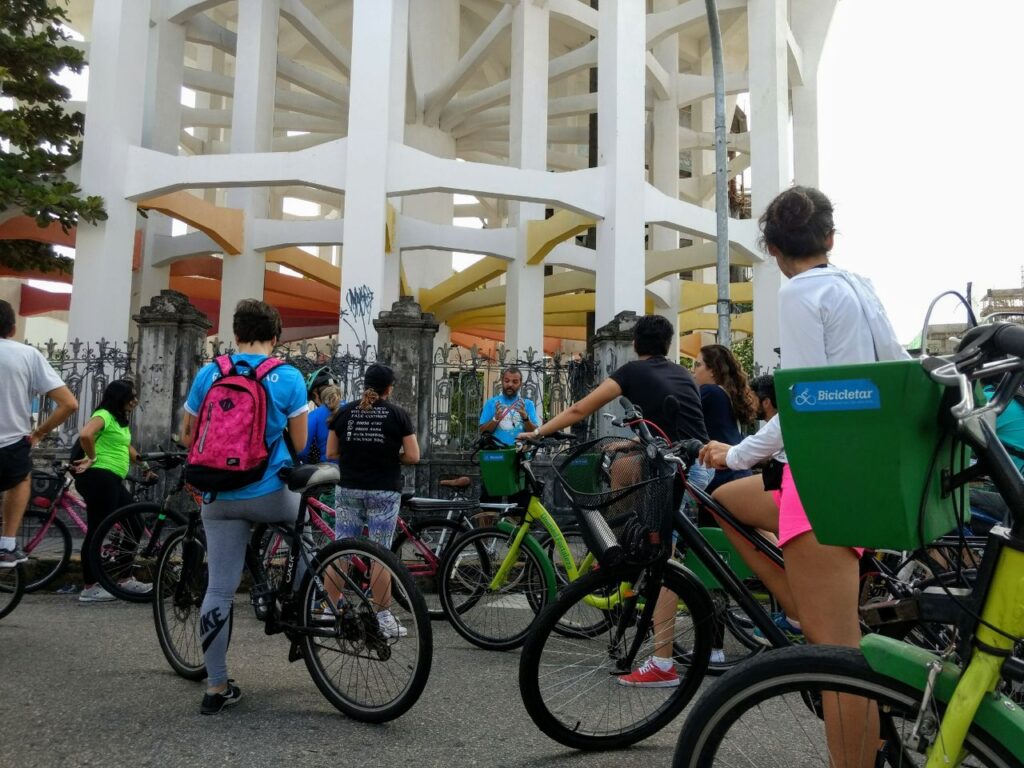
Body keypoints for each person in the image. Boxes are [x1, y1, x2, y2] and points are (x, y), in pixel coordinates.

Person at [707, 186, 907, 765]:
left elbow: (801, 406)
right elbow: (891, 370)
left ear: (771, 248)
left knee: (836, 659)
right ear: (829, 238)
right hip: (863, 471)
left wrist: (736, 454)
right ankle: (808, 596)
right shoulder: (857, 287)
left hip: (821, 477)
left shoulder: (799, 295)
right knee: (732, 503)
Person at [519, 314, 713, 686]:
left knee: (663, 560)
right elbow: (671, 430)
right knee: (637, 505)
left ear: (637, 345)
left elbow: (580, 409)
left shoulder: (633, 372)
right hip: (696, 462)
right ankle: (632, 576)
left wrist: (538, 432)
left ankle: (662, 662)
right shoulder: (682, 373)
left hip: (678, 471)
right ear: (668, 345)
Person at [181, 299, 308, 715]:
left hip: (219, 496)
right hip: (271, 493)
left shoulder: (209, 373)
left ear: (234, 334)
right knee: (306, 535)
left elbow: (187, 435)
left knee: (219, 587)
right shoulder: (288, 377)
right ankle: (304, 607)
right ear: (276, 335)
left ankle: (216, 687)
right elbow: (302, 444)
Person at [326, 363, 419, 638]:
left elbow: (332, 452)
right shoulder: (398, 415)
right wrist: (389, 456)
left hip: (349, 488)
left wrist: (357, 455)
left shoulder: (344, 412)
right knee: (380, 553)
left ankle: (328, 612)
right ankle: (383, 618)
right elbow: (413, 456)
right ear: (389, 388)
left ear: (365, 385)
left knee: (341, 548)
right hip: (384, 491)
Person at [0, 299, 78, 567]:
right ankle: (7, 544)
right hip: (11, 442)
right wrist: (39, 433)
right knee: (20, 480)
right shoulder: (27, 355)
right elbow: (69, 404)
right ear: (12, 329)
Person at [72, 379, 157, 602]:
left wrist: (145, 466)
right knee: (98, 530)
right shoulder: (103, 415)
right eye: (132, 396)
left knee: (135, 524)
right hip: (99, 477)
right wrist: (92, 457)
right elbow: (85, 435)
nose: (135, 401)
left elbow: (124, 446)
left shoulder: (119, 421)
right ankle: (90, 587)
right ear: (120, 397)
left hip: (111, 479)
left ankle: (125, 579)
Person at [692, 344, 757, 496]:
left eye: (698, 364)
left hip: (720, 477)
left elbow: (681, 417)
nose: (693, 369)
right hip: (737, 474)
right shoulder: (727, 394)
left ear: (713, 370)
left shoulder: (710, 391)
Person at [479, 367, 540, 446]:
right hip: (497, 453)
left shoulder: (527, 404)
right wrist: (495, 419)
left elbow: (535, 433)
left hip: (520, 453)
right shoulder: (491, 403)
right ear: (502, 381)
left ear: (520, 383)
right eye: (507, 381)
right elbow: (482, 431)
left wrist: (525, 418)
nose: (510, 384)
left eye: (515, 382)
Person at [299, 368, 343, 464]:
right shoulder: (352, 409)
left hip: (328, 474)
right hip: (354, 472)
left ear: (316, 395)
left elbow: (302, 452)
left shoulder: (314, 416)